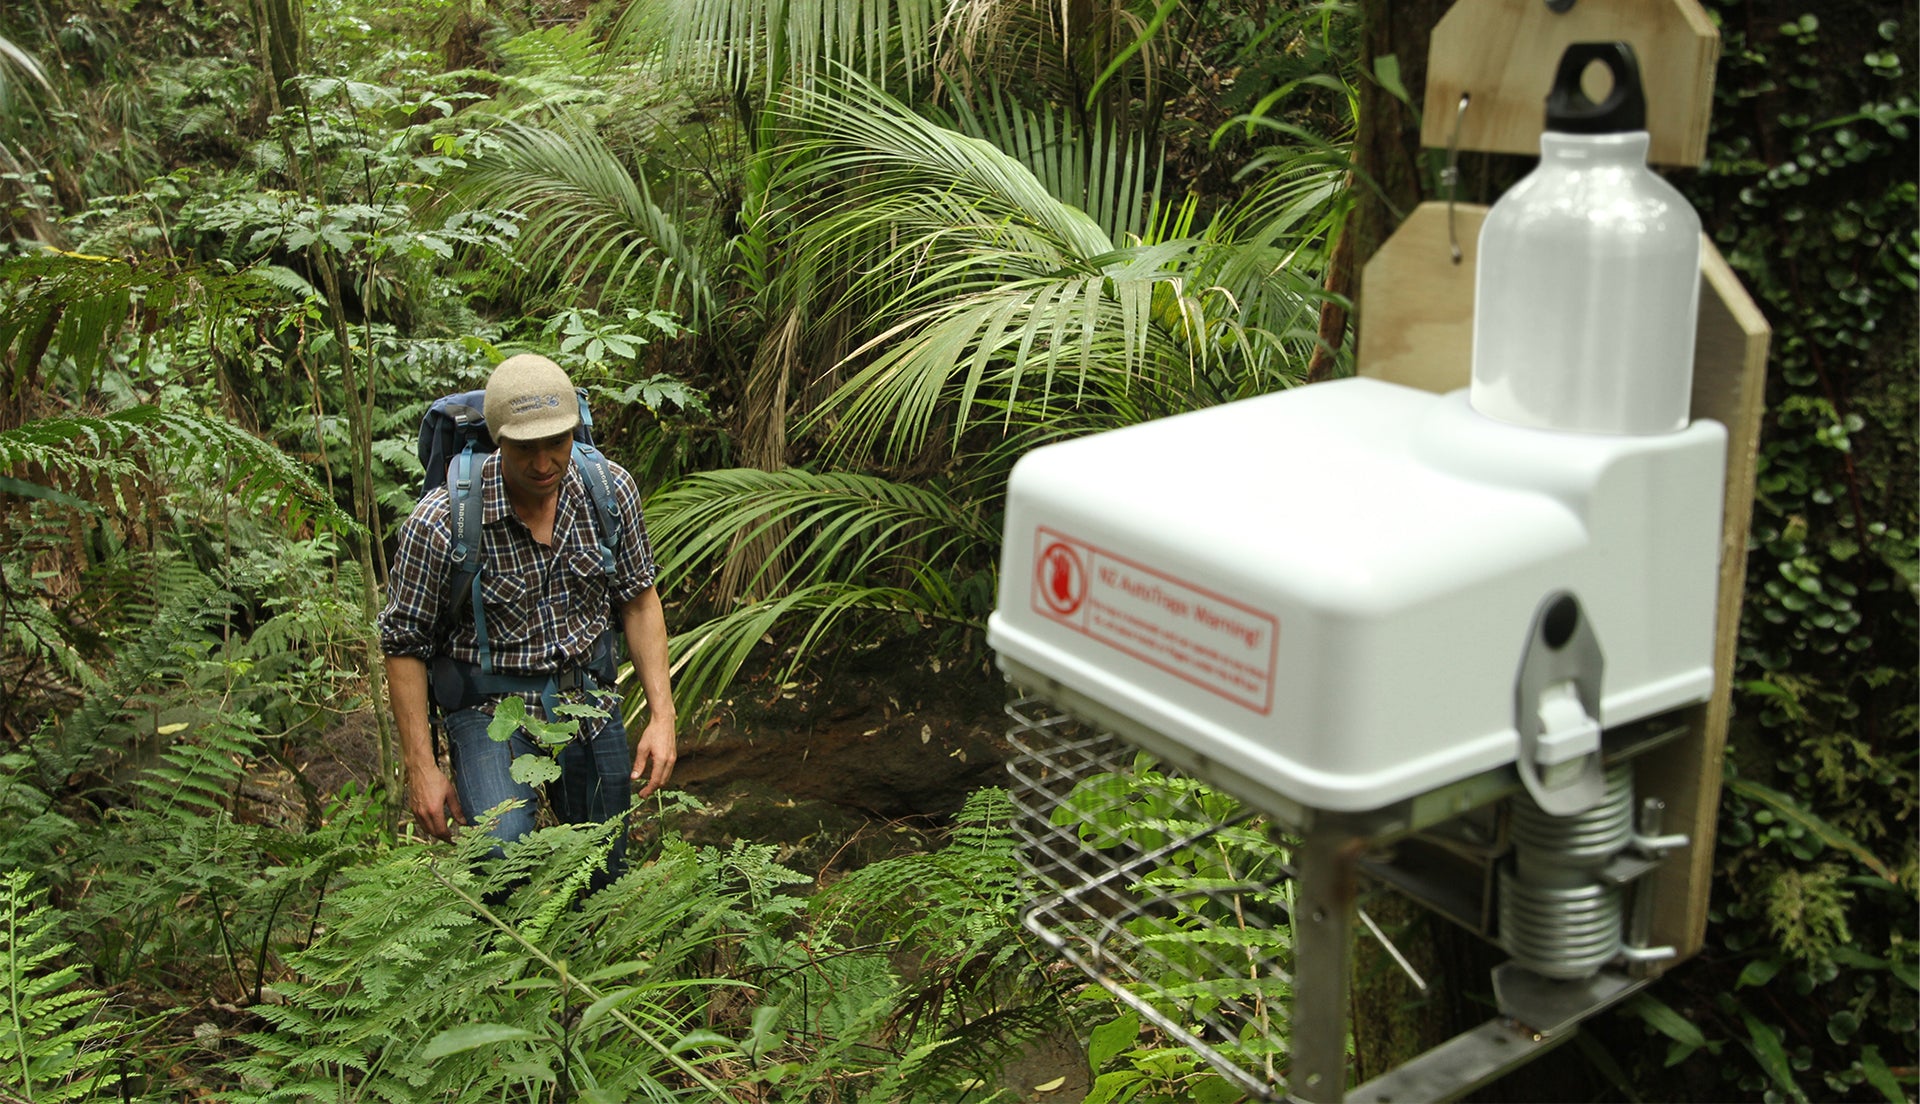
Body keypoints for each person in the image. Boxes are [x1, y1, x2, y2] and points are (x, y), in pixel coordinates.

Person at [377, 354, 676, 886]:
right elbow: (405, 643)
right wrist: (422, 768)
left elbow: (638, 599)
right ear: (498, 440)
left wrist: (662, 715)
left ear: (574, 431)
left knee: (603, 865)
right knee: (503, 858)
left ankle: (586, 959)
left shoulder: (608, 492)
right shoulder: (443, 522)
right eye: (524, 448)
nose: (543, 463)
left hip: (586, 695)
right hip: (487, 705)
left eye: (556, 443)